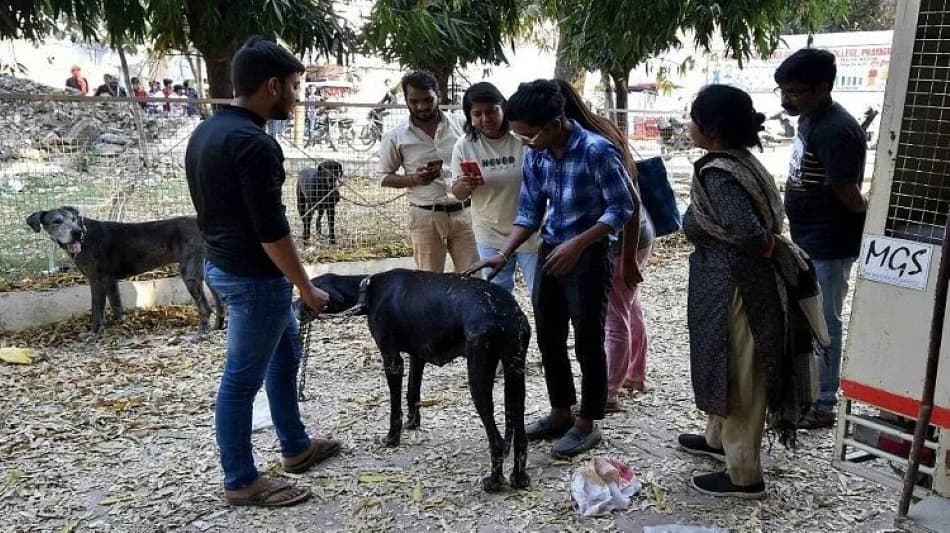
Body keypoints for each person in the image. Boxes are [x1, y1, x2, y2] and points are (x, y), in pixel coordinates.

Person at [184, 36, 340, 508]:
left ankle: (294, 447)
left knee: (285, 354)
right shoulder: (255, 144)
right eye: (294, 86)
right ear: (272, 85)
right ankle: (241, 479)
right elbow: (271, 231)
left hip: (224, 264)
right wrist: (306, 286)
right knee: (240, 380)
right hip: (255, 278)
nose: (297, 97)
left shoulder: (207, 131)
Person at [468, 80, 636, 458]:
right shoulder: (538, 154)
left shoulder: (597, 151)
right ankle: (560, 411)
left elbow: (621, 208)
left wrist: (579, 244)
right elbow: (529, 211)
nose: (525, 142)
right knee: (548, 336)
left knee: (588, 341)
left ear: (555, 123)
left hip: (589, 254)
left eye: (529, 134)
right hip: (551, 249)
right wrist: (504, 253)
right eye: (521, 135)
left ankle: (587, 422)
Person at [676, 84, 815, 499]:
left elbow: (750, 233)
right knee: (723, 361)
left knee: (738, 371)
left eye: (693, 118)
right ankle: (718, 439)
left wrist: (767, 247)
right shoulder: (739, 161)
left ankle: (743, 475)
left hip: (736, 287)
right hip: (726, 280)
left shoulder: (719, 172)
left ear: (711, 129)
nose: (688, 124)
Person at [775, 49, 868, 429]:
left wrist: (869, 215)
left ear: (823, 88)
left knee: (825, 320)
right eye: (783, 90)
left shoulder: (838, 130)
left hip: (830, 242)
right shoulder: (810, 120)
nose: (787, 99)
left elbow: (847, 192)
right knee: (808, 317)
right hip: (807, 236)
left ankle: (826, 402)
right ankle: (810, 392)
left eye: (795, 92)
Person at [549, 79, 655, 412]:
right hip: (635, 235)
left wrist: (626, 258)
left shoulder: (593, 145)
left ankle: (609, 392)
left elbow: (629, 204)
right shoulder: (602, 128)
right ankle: (634, 374)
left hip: (622, 237)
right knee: (629, 307)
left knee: (614, 316)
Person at [378, 70, 478, 273]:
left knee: (475, 278)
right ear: (405, 99)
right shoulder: (395, 136)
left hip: (465, 213)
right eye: (414, 101)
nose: (421, 106)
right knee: (429, 283)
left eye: (427, 99)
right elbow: (384, 177)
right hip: (425, 217)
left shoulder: (462, 125)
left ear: (438, 95)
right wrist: (414, 179)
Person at [448, 82, 540, 294]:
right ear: (469, 116)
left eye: (491, 111)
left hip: (531, 230)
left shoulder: (521, 138)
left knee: (540, 291)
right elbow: (458, 193)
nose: (485, 119)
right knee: (497, 291)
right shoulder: (464, 145)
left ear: (503, 109)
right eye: (477, 113)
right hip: (490, 231)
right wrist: (464, 185)